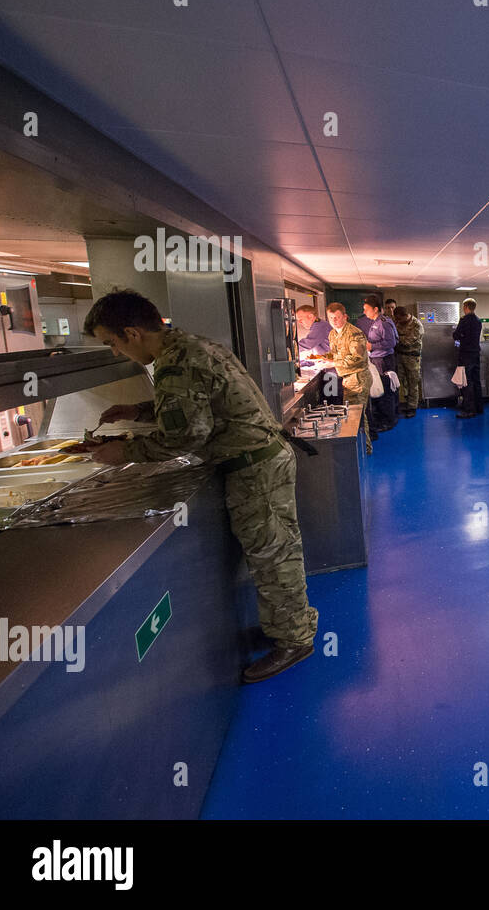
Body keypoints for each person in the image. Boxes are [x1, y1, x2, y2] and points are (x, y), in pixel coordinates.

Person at [85, 289, 317, 684]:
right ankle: (289, 622)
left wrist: (123, 452)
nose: (114, 353)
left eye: (112, 343)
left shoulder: (177, 363)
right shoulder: (190, 346)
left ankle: (294, 639)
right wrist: (140, 411)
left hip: (253, 469)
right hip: (263, 459)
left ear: (131, 333)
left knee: (273, 555)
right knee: (279, 548)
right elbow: (196, 404)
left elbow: (187, 435)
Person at [325, 302, 371, 452]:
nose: (334, 321)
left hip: (358, 377)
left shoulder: (354, 333)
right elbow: (335, 353)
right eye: (331, 318)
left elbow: (357, 358)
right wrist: (326, 359)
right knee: (353, 413)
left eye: (337, 317)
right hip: (346, 378)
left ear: (345, 317)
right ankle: (361, 447)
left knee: (356, 415)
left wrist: (333, 361)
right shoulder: (332, 333)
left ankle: (365, 448)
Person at [357, 294, 399, 433]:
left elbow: (391, 342)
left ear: (375, 309)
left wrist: (371, 346)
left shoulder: (383, 322)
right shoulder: (375, 322)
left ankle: (388, 421)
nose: (364, 312)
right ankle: (384, 418)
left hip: (384, 361)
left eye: (366, 309)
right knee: (381, 390)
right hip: (377, 359)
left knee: (385, 391)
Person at [453, 298, 483, 417]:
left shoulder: (464, 320)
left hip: (466, 354)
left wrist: (459, 335)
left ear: (465, 307)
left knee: (466, 382)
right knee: (476, 380)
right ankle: (479, 407)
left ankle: (469, 409)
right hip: (476, 353)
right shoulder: (478, 320)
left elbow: (456, 335)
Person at [393, 305, 423, 417]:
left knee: (412, 383)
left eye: (400, 319)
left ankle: (412, 407)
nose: (398, 322)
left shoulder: (417, 325)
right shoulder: (398, 322)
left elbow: (407, 341)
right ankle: (402, 403)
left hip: (412, 358)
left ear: (406, 316)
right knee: (398, 382)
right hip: (400, 356)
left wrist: (394, 339)